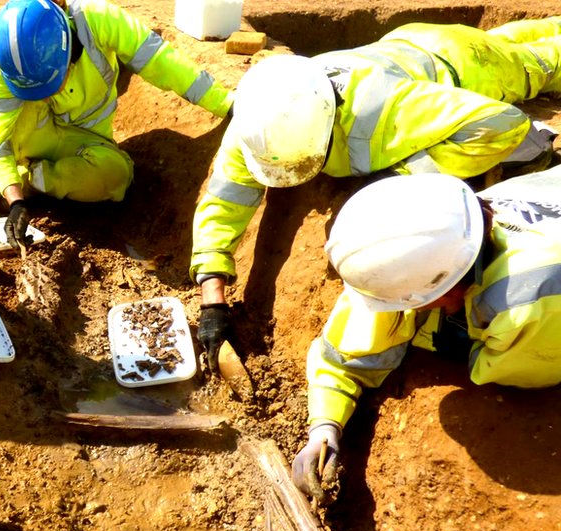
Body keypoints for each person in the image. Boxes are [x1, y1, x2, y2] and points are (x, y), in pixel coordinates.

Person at [192, 18, 561, 370]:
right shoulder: (261, 122)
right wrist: (213, 300)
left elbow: (502, 124)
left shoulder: (386, 110)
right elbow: (226, 201)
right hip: (409, 45)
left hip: (470, 65)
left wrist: (404, 178)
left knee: (543, 61)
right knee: (527, 33)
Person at [290, 170, 561, 503]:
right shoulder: (449, 229)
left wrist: (442, 331)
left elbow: (521, 374)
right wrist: (324, 427)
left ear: (446, 290)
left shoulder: (526, 304)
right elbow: (350, 345)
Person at [0, 0, 234, 249]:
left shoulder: (99, 18)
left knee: (115, 177)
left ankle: (29, 179)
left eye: (50, 84)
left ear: (67, 54)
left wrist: (226, 104)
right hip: (32, 132)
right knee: (3, 132)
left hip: (85, 138)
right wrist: (15, 203)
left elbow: (163, 62)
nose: (51, 94)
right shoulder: (5, 66)